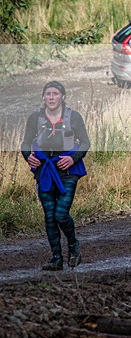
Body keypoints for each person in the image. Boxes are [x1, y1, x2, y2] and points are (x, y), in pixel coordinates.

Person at [20, 81, 90, 271]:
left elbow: (85, 143)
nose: (51, 97)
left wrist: (73, 158)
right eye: (48, 94)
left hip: (68, 171)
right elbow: (26, 143)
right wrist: (28, 157)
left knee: (60, 214)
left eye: (55, 94)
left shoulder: (74, 117)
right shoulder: (35, 117)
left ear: (62, 97)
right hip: (44, 171)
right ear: (43, 97)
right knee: (50, 216)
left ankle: (74, 246)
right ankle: (56, 258)